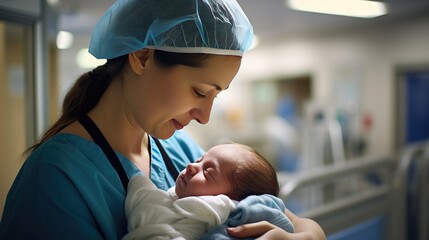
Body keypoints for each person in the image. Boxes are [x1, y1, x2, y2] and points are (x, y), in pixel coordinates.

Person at [0, 0, 326, 239]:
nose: (204, 116)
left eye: (216, 95)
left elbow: (300, 223)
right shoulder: (55, 180)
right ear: (143, 56)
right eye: (199, 92)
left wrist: (305, 237)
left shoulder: (178, 147)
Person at [124, 142, 295, 240]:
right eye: (200, 159)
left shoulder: (220, 208)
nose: (191, 166)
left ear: (233, 199)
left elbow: (279, 215)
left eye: (207, 172)